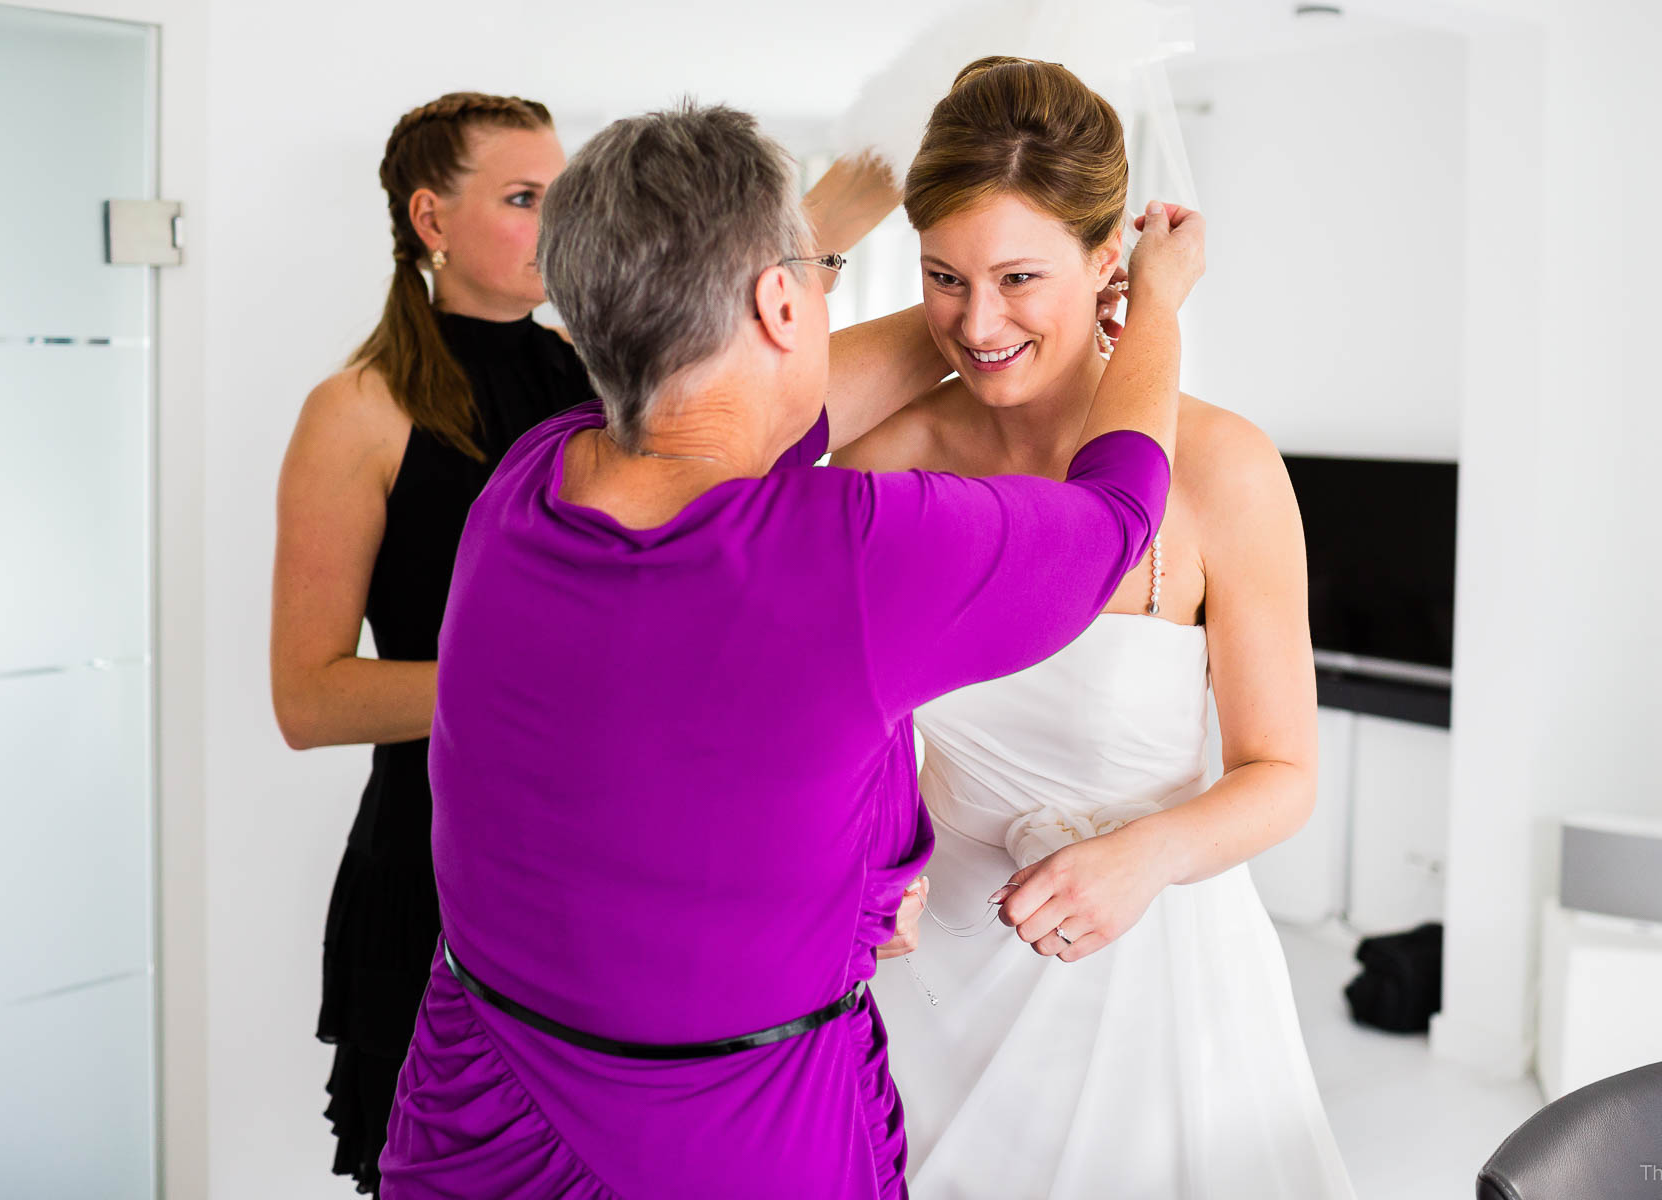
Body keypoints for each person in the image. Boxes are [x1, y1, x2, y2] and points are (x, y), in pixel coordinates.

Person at [376, 100, 1203, 1199]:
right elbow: (1114, 519)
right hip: (732, 1137)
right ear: (779, 300)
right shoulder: (853, 551)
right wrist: (1153, 302)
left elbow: (756, 409)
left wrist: (990, 299)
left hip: (474, 1104)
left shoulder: (530, 476)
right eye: (813, 275)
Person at [271, 91, 919, 1193]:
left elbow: (744, 354)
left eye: (564, 195)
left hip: (619, 866)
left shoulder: (597, 375)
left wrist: (877, 265)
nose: (563, 219)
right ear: (431, 218)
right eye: (527, 198)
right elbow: (310, 698)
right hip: (441, 864)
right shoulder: (359, 408)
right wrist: (547, 679)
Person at [839, 58, 1359, 1198]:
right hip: (936, 975)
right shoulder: (887, 464)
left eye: (1021, 276)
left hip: (1159, 970)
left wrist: (1151, 856)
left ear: (1106, 261)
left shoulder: (1225, 467)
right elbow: (840, 719)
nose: (978, 324)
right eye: (943, 278)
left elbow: (1283, 772)